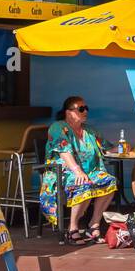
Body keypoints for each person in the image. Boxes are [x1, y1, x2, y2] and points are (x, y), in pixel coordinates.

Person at [39, 96, 117, 244]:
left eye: (86, 108)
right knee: (83, 184)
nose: (85, 111)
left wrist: (125, 148)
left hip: (89, 171)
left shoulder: (90, 131)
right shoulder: (58, 127)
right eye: (81, 109)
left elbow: (108, 147)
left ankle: (93, 225)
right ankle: (72, 229)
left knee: (109, 181)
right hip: (62, 172)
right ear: (69, 113)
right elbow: (64, 151)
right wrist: (77, 171)